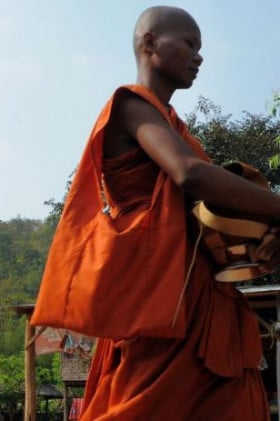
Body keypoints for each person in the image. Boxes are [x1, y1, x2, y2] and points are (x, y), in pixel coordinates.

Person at [31, 6, 277, 420]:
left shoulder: (176, 128)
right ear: (149, 43)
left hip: (202, 292)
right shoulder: (130, 105)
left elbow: (209, 208)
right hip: (160, 295)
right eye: (189, 44)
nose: (199, 57)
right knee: (144, 405)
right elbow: (190, 175)